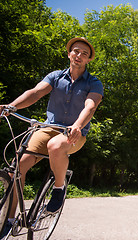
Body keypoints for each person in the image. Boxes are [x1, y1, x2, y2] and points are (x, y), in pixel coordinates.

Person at [0, 37, 103, 236]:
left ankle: (58, 187)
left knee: (56, 146)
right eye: (75, 51)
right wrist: (11, 106)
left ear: (89, 59)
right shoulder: (56, 76)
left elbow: (90, 106)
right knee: (17, 166)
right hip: (48, 128)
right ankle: (10, 219)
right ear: (69, 54)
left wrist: (78, 125)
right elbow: (35, 93)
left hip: (74, 133)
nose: (79, 55)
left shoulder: (94, 82)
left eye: (84, 53)